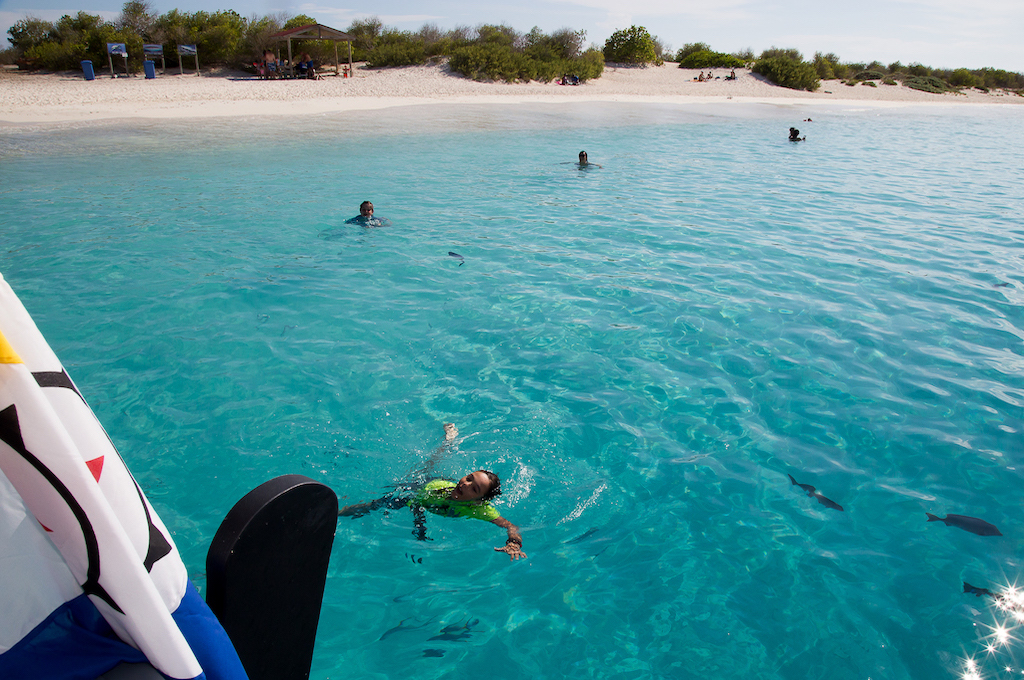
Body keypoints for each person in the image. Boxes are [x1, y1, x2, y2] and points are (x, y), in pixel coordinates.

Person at [338, 425, 527, 561]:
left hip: (429, 503)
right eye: (469, 478)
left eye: (474, 488)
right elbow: (415, 502)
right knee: (377, 505)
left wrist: (514, 543)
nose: (465, 484)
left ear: (479, 500)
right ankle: (338, 511)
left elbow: (511, 526)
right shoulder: (440, 487)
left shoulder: (480, 510)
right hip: (419, 488)